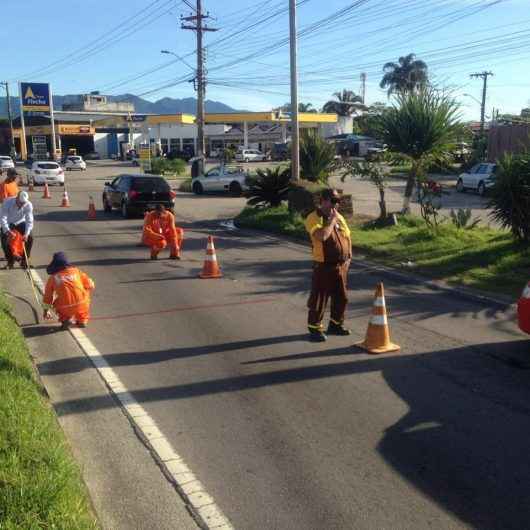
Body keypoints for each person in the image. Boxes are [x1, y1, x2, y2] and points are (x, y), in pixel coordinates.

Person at [304, 188, 352, 342]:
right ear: (323, 201)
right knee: (319, 299)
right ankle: (314, 329)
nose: (335, 204)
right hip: (323, 265)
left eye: (337, 201)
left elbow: (347, 236)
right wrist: (331, 220)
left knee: (341, 297)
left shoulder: (339, 217)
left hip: (341, 265)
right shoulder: (313, 218)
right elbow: (322, 236)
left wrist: (349, 256)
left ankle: (336, 324)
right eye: (333, 201)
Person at [43, 252, 95, 329]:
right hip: (82, 303)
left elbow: (48, 297)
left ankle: (65, 320)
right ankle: (82, 320)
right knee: (85, 293)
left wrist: (46, 310)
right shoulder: (76, 271)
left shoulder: (53, 278)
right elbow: (90, 285)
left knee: (55, 304)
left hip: (65, 307)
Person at [0, 191, 34, 269]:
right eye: (20, 203)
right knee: (4, 239)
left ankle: (24, 260)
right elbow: (2, 218)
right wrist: (8, 231)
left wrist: (26, 234)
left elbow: (29, 221)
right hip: (9, 222)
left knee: (30, 237)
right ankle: (10, 261)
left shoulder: (28, 205)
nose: (22, 205)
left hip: (21, 221)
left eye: (23, 203)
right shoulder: (7, 202)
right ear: (17, 198)